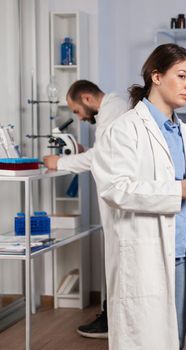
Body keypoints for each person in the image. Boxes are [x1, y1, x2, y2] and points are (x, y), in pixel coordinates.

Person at [91, 43, 186, 350]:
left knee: (183, 335)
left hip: (184, 252)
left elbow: (182, 181)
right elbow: (115, 188)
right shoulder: (124, 129)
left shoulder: (183, 132)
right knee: (150, 339)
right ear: (156, 76)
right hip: (147, 254)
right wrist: (178, 190)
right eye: (182, 76)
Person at [43, 80, 128, 339]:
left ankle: (112, 323)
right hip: (117, 198)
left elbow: (99, 159)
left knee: (117, 262)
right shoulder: (113, 109)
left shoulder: (113, 110)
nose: (78, 118)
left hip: (120, 200)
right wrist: (87, 151)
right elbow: (105, 152)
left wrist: (60, 161)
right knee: (116, 261)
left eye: (77, 111)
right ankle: (112, 319)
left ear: (88, 98)